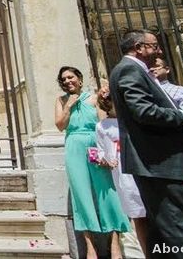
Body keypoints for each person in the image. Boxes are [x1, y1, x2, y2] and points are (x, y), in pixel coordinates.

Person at [109, 30, 183, 258]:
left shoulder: (133, 70)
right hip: (159, 163)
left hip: (155, 163)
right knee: (181, 232)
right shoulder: (130, 70)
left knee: (166, 231)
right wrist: (182, 117)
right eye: (154, 46)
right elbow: (143, 110)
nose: (160, 51)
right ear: (139, 47)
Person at [55, 66, 130, 259]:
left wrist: (107, 152)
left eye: (70, 77)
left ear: (79, 79)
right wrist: (68, 106)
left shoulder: (95, 98)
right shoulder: (61, 100)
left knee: (107, 192)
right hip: (74, 146)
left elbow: (103, 122)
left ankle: (115, 243)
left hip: (95, 143)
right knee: (81, 195)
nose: (67, 81)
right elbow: (60, 125)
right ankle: (90, 247)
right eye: (63, 79)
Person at [95, 85, 148, 256]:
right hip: (120, 170)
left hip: (138, 167)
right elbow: (100, 148)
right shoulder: (102, 126)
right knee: (133, 207)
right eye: (111, 102)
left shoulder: (132, 121)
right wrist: (104, 159)